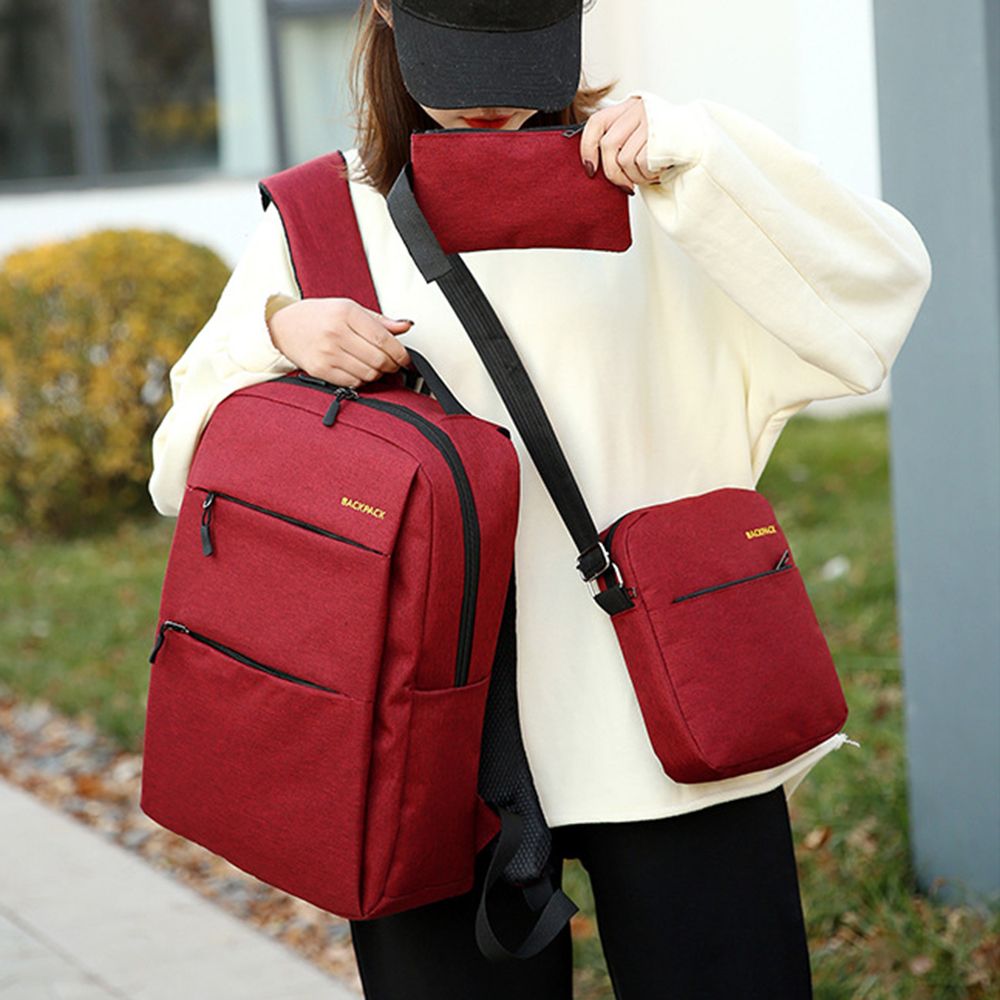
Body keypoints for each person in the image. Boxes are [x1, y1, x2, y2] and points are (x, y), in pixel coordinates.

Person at [147, 0, 932, 996]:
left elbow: (881, 292)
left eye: (517, 56)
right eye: (459, 58)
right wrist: (278, 334)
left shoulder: (659, 178)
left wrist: (705, 154)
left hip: (674, 708)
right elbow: (180, 465)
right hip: (426, 743)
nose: (486, 100)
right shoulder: (322, 218)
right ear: (384, 11)